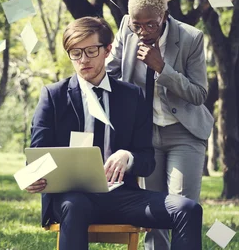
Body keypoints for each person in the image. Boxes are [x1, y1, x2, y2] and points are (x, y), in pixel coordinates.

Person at [26, 16, 203, 250]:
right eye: (75, 53)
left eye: (90, 51)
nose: (83, 60)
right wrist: (33, 176)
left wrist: (128, 158)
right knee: (75, 205)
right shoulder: (53, 96)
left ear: (108, 49)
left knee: (188, 209)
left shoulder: (133, 97)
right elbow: (38, 154)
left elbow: (147, 160)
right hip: (71, 198)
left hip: (122, 197)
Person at [106, 0, 213, 250]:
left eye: (150, 25)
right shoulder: (126, 28)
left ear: (164, 16)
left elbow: (199, 94)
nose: (142, 31)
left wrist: (162, 69)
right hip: (145, 134)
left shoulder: (190, 38)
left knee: (180, 204)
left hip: (183, 132)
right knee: (154, 209)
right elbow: (110, 70)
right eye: (136, 24)